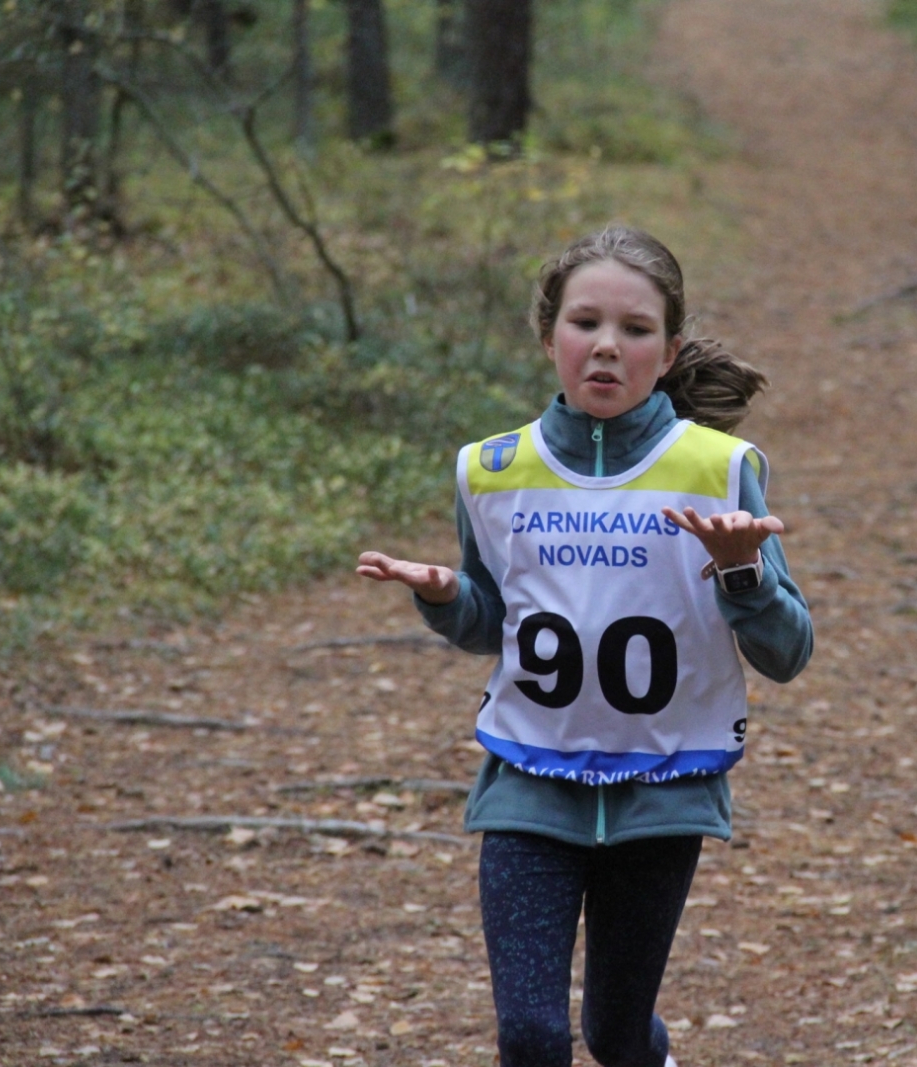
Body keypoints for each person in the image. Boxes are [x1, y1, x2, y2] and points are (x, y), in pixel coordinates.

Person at [356, 224, 813, 1067]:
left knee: (614, 1031)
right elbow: (496, 620)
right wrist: (446, 594)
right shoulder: (490, 469)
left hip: (664, 788)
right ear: (549, 335)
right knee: (531, 1036)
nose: (607, 347)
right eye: (585, 323)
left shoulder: (719, 468)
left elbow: (788, 652)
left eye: (635, 330)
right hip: (529, 781)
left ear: (669, 350)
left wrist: (744, 573)